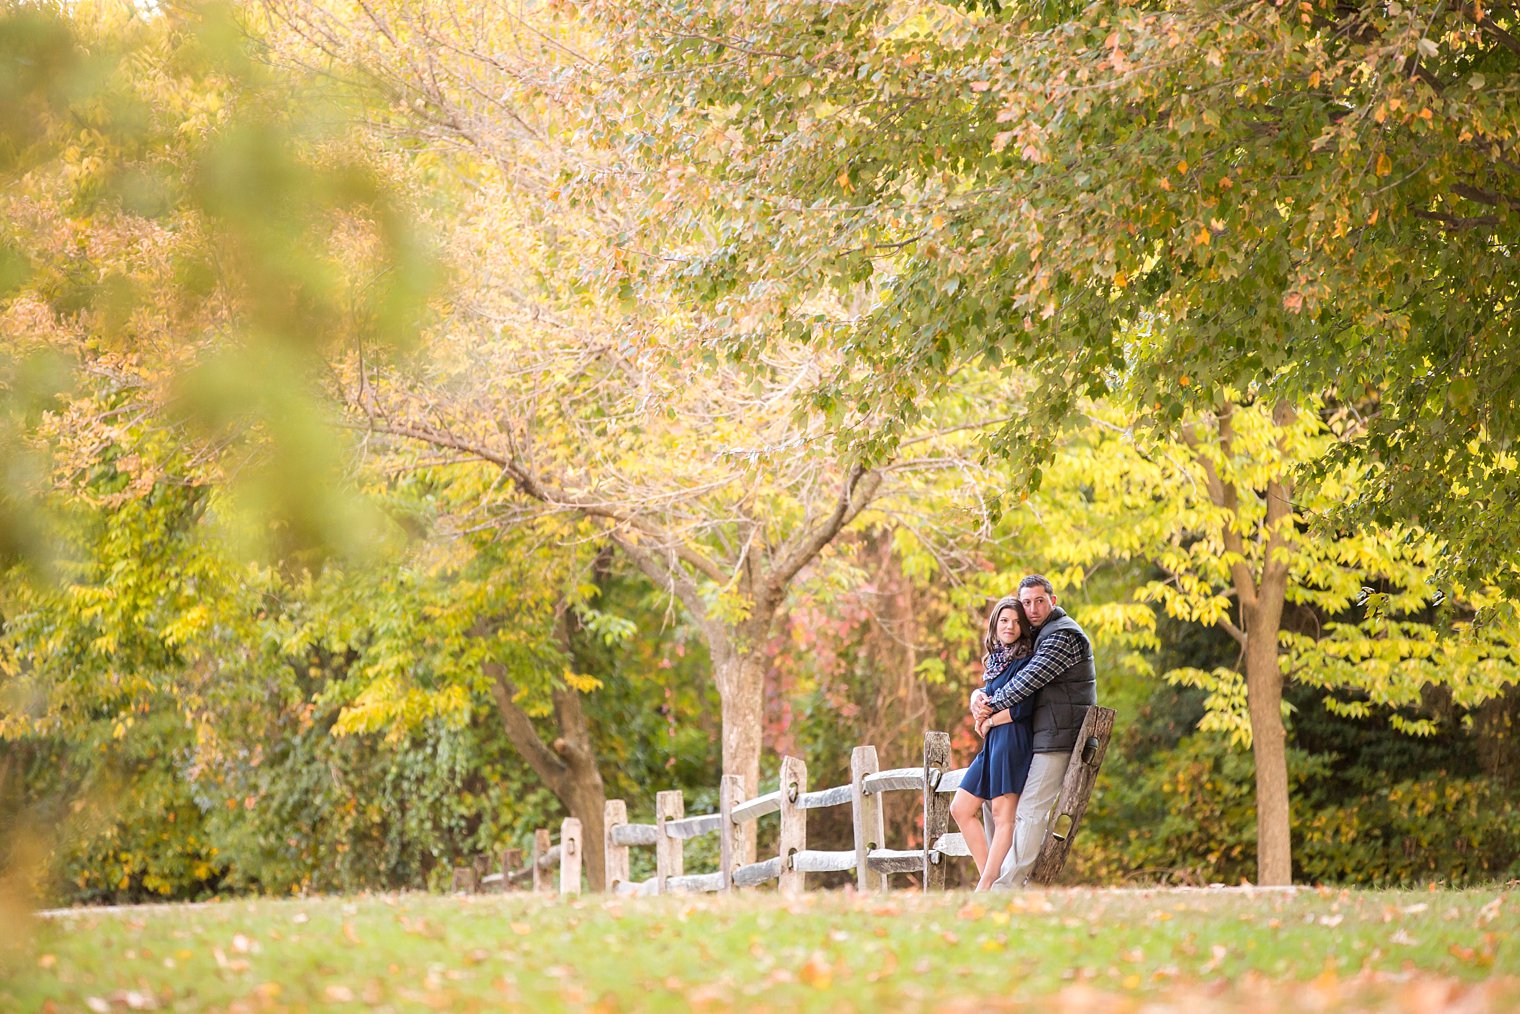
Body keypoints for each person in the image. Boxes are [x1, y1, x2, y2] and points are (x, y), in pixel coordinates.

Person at [970, 574, 1097, 889]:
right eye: (1026, 602)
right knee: (991, 802)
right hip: (1038, 736)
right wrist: (978, 698)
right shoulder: (1036, 636)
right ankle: (998, 876)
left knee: (1030, 812)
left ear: (1052, 601)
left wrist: (989, 709)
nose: (1032, 608)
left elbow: (1027, 682)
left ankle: (1004, 889)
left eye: (1039, 601)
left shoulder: (1061, 636)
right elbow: (1001, 676)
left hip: (1059, 738)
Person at [949, 596, 1037, 891]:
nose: (1009, 626)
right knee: (961, 809)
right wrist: (977, 699)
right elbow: (987, 696)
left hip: (1012, 741)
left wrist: (988, 721)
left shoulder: (1027, 661)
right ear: (995, 625)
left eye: (1015, 621)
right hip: (993, 743)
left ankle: (986, 886)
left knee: (1003, 816)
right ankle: (991, 882)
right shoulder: (998, 660)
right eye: (1003, 621)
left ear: (1023, 627)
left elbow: (1023, 710)